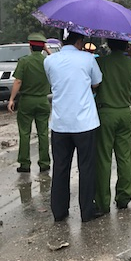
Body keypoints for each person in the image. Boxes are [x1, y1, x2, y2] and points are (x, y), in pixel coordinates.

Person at [44, 30, 103, 222]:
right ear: (80, 41)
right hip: (85, 123)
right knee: (86, 168)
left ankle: (59, 211)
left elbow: (53, 82)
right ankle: (87, 212)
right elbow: (97, 82)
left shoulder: (50, 61)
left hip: (60, 124)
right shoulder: (87, 59)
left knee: (60, 167)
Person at [94, 38, 131, 213]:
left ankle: (102, 202)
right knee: (124, 156)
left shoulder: (100, 62)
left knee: (103, 158)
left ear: (109, 45)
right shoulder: (130, 64)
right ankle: (124, 197)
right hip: (125, 113)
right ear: (127, 46)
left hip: (105, 113)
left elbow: (92, 83)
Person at [8, 33, 52, 173]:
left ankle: (24, 163)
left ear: (30, 46)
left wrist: (11, 99)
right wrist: (48, 51)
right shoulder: (48, 61)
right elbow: (56, 61)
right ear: (43, 47)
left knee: (25, 133)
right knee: (43, 133)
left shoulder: (24, 61)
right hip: (43, 100)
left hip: (27, 100)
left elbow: (18, 81)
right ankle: (44, 162)